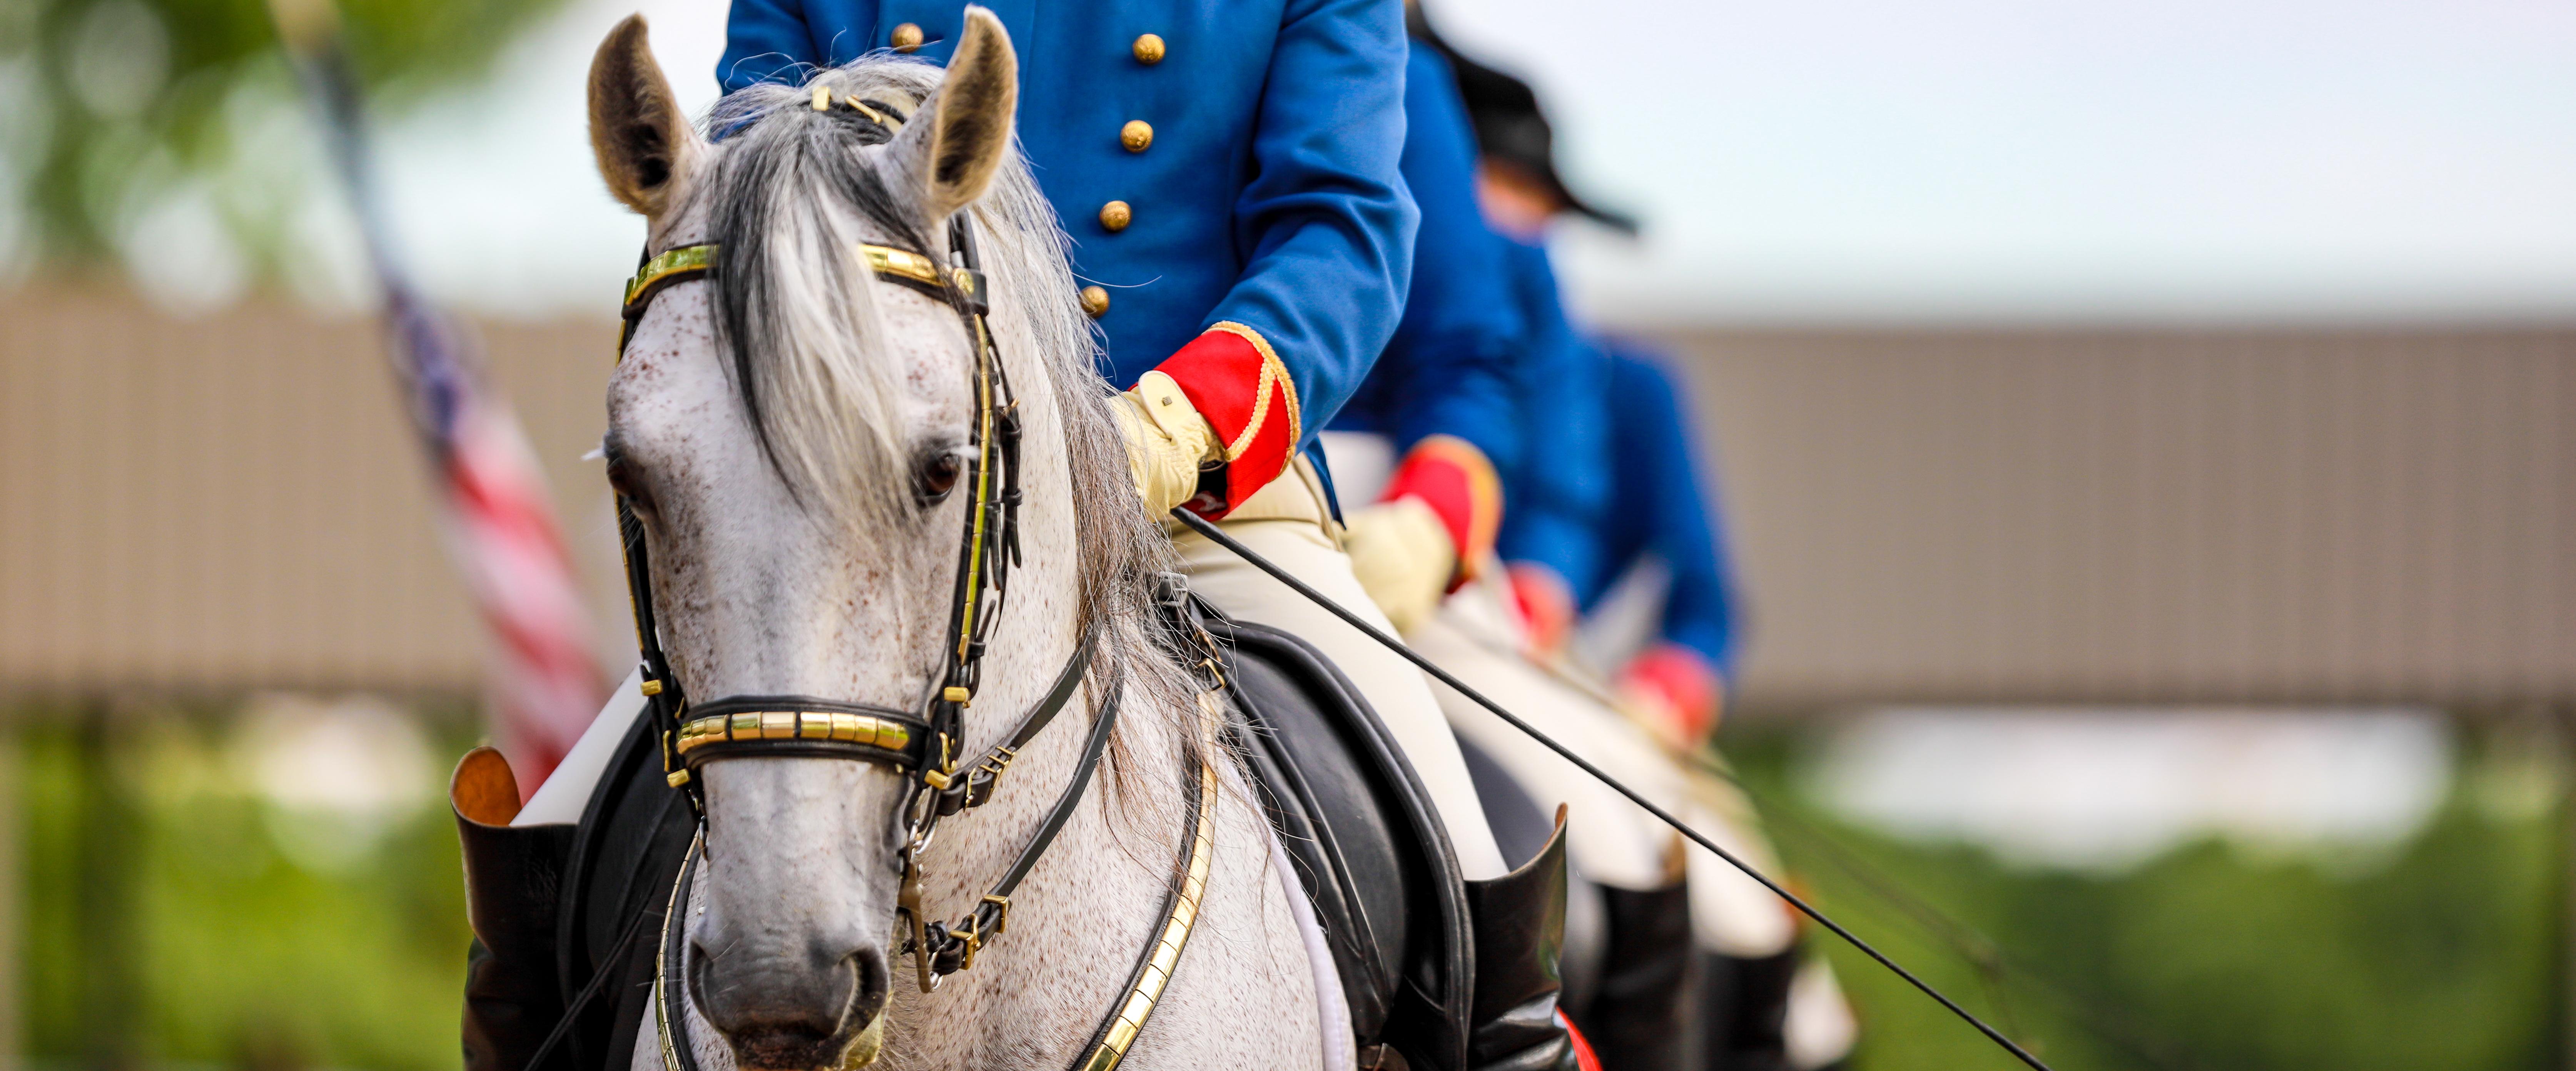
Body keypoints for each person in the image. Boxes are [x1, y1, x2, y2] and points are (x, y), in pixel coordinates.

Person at [716, 4, 1582, 1069]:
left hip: (1194, 497)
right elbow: (741, 200)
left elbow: (1342, 231)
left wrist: (1175, 429)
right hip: (874, 506)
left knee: (1467, 905)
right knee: (558, 860)